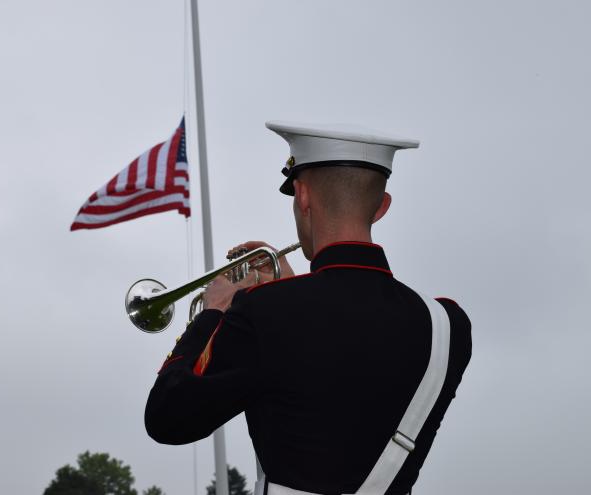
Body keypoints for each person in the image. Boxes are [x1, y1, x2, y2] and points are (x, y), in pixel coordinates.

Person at [145, 121, 472, 495]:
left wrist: (214, 311)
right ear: (381, 207)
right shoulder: (449, 324)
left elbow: (167, 418)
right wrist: (287, 290)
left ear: (302, 195)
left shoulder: (263, 312)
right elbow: (341, 355)